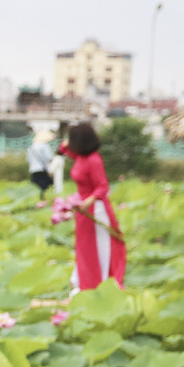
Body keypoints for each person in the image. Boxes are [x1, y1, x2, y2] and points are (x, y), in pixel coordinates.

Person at [61, 121, 125, 290]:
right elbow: (62, 151)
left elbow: (103, 187)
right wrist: (66, 143)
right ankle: (83, 284)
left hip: (96, 210)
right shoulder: (80, 157)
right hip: (82, 210)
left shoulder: (94, 160)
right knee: (84, 248)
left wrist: (88, 201)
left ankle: (101, 285)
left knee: (98, 250)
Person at [26, 129, 58, 199]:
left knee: (36, 186)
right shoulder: (44, 146)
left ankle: (37, 200)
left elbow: (28, 160)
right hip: (42, 169)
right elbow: (49, 157)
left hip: (33, 170)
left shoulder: (31, 147)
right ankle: (44, 200)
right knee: (45, 186)